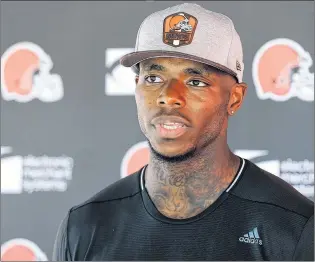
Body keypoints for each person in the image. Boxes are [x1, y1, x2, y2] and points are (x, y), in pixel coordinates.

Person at [52, 3, 314, 261]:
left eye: (195, 82)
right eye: (153, 78)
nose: (168, 97)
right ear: (136, 87)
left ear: (234, 99)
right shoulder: (84, 225)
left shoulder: (294, 227)